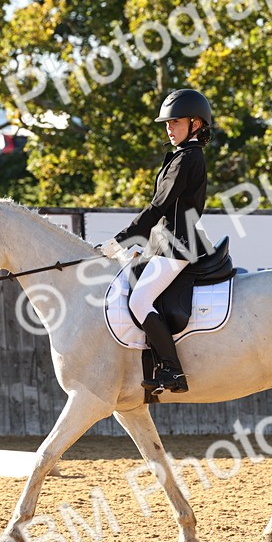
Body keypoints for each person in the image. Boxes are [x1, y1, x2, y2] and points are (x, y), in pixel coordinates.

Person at [100, 88, 213, 394]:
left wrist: (121, 240)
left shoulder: (187, 158)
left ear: (195, 124)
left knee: (138, 301)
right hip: (165, 242)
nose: (169, 128)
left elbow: (158, 207)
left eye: (176, 122)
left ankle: (173, 371)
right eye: (168, 123)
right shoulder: (181, 156)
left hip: (178, 244)